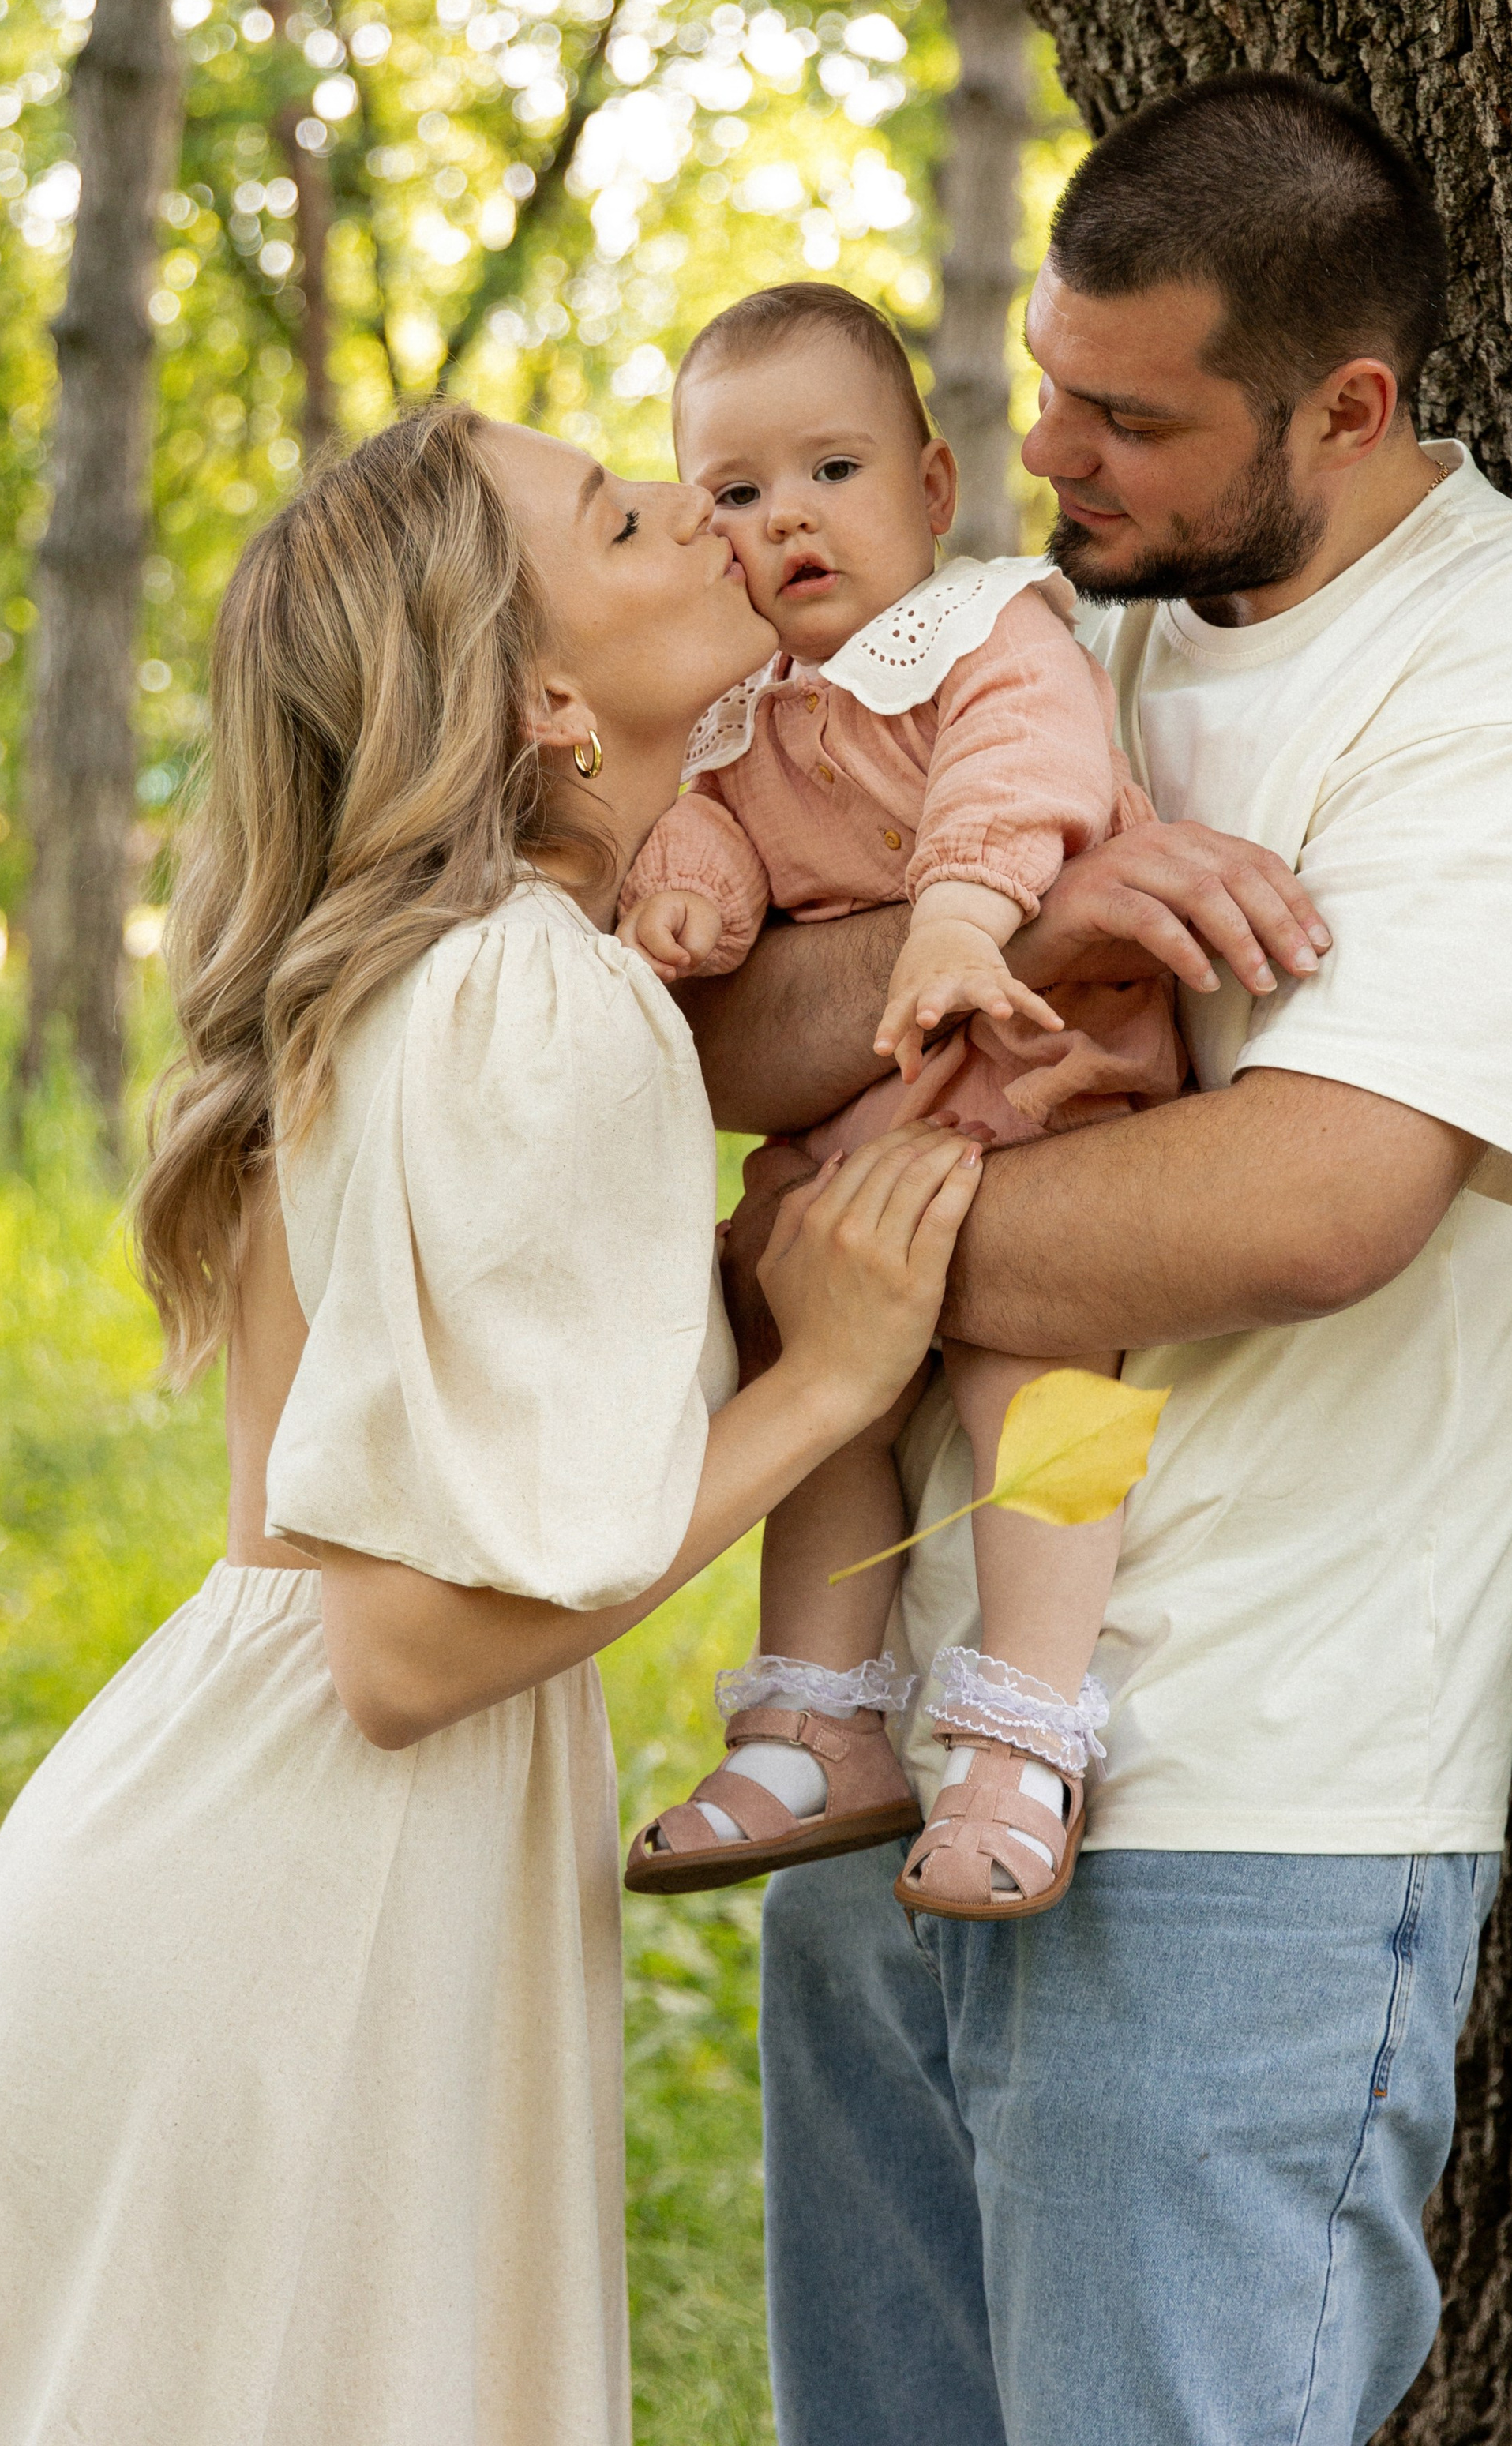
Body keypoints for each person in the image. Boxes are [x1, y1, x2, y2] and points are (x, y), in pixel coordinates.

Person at [684, 77, 1512, 2444]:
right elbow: (742, 1033)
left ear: (1348, 408)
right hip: (886, 1762)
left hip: (1243, 1815)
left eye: (1130, 417)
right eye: (1047, 386)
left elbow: (1305, 1204)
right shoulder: (1055, 625)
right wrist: (1021, 918)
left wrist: (820, 1284)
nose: (1053, 453)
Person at [0, 402, 988, 2446]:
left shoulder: (443, 977)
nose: (718, 525)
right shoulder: (529, 998)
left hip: (241, 1849)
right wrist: (834, 1376)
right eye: (640, 518)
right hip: (309, 1890)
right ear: (551, 694)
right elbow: (405, 1652)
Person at [620, 282, 1190, 1917]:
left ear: (931, 493)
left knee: (1041, 1373)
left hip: (1030, 1067)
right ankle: (815, 1716)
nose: (782, 517)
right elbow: (709, 832)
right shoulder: (732, 717)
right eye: (732, 493)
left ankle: (1024, 1728)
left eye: (831, 472)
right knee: (822, 1376)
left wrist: (953, 914)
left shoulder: (984, 630)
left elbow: (1027, 777)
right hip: (867, 1126)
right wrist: (685, 890)